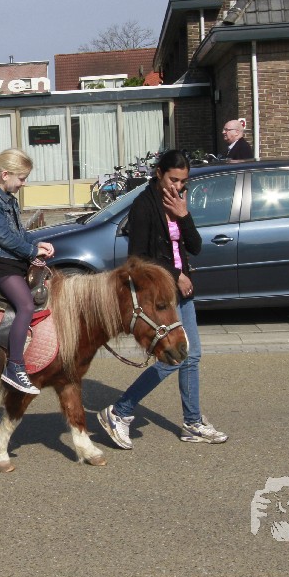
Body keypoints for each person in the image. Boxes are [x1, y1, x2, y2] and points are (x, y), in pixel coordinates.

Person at [97, 149, 228, 446]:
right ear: (159, 174)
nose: (178, 186)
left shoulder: (178, 202)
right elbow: (138, 257)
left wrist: (184, 216)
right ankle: (120, 411)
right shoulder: (143, 206)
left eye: (183, 181)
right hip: (160, 295)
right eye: (173, 179)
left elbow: (195, 247)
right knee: (173, 357)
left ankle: (192, 423)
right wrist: (175, 274)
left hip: (182, 291)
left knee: (191, 355)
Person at [0, 148, 54, 395]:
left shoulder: (8, 198)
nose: (24, 183)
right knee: (26, 305)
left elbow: (18, 233)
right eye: (21, 178)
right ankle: (14, 366)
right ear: (5, 174)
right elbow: (5, 238)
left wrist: (38, 243)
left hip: (11, 259)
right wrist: (32, 251)